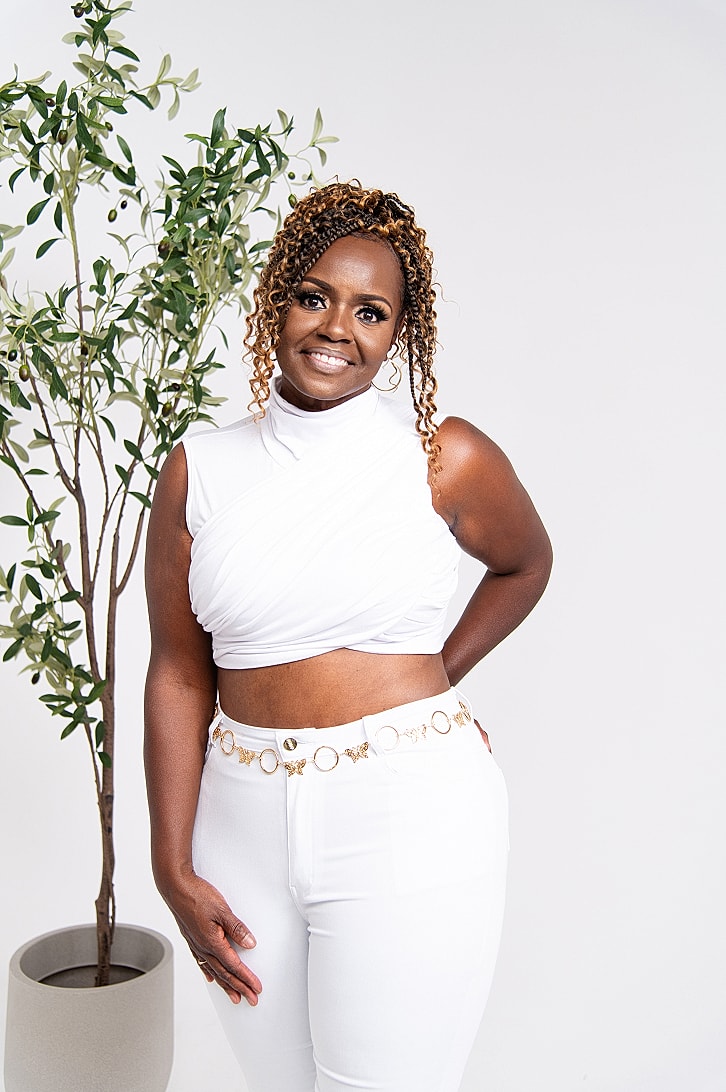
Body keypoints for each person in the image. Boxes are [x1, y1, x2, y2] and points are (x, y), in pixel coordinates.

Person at [144, 180, 552, 1092]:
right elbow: (177, 672)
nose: (337, 327)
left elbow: (526, 563)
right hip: (237, 820)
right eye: (314, 296)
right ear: (276, 300)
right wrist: (170, 863)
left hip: (410, 808)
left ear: (399, 333)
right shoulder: (197, 471)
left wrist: (435, 684)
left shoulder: (442, 457)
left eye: (371, 311)